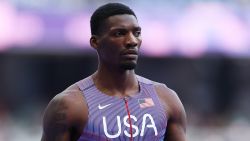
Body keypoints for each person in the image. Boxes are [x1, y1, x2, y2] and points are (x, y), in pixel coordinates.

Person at [41, 3, 186, 141]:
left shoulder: (166, 99)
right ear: (95, 42)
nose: (132, 41)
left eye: (137, 33)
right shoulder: (69, 105)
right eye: (119, 33)